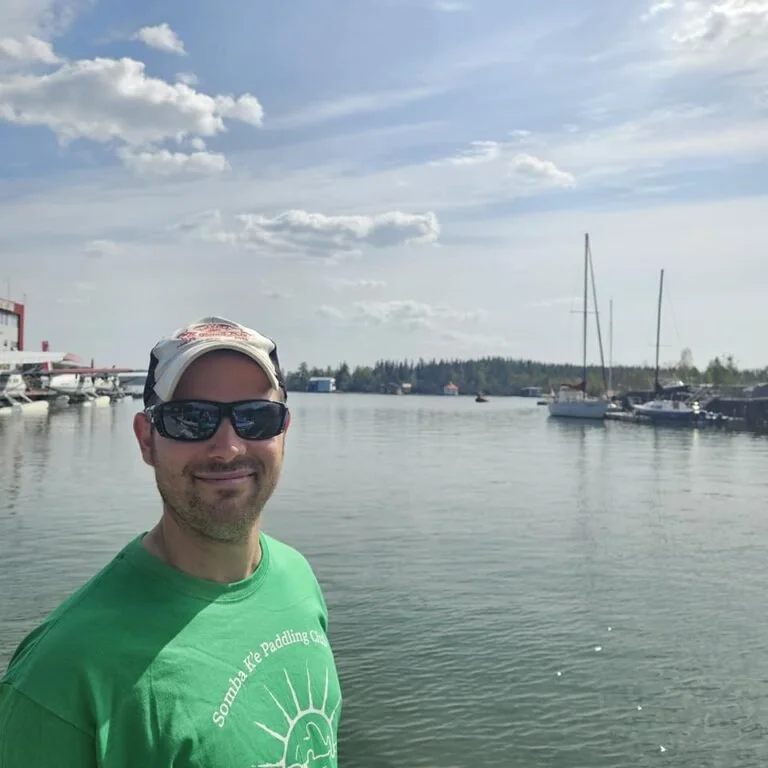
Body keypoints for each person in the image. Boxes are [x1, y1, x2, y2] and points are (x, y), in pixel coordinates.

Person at [0, 316, 342, 767]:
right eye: (191, 419)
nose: (228, 447)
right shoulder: (62, 677)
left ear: (283, 432)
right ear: (147, 440)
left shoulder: (298, 580)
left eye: (256, 418)